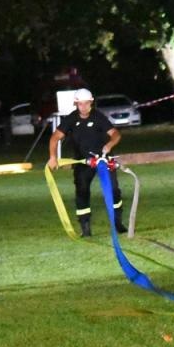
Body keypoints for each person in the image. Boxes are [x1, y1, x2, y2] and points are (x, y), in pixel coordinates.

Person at [46, 88, 121, 237]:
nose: (84, 107)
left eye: (87, 104)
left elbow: (115, 134)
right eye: (81, 104)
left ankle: (118, 222)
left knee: (113, 190)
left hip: (104, 161)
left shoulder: (99, 117)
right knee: (82, 191)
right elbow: (54, 138)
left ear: (91, 103)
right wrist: (53, 157)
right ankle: (85, 227)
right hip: (82, 162)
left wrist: (109, 145)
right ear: (76, 104)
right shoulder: (71, 119)